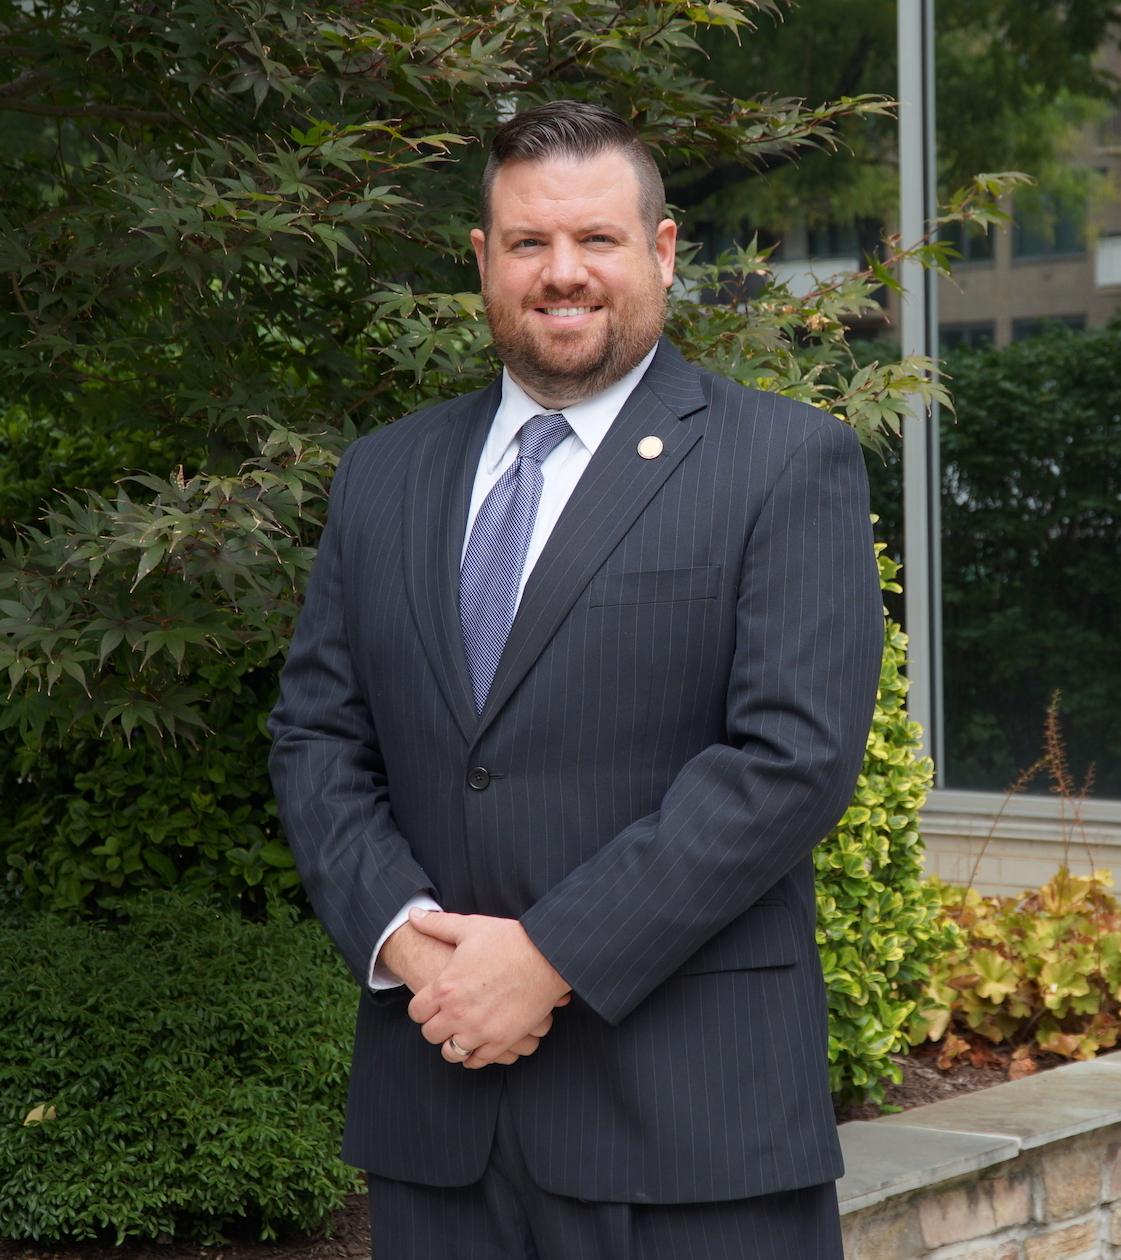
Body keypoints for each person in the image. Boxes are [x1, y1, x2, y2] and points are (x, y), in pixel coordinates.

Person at [268, 99, 882, 1260]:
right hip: (438, 1119)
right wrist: (408, 943)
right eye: (527, 243)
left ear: (660, 250)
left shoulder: (782, 462)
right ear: (482, 261)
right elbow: (316, 740)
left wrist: (547, 958)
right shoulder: (382, 476)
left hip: (689, 1136)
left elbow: (789, 762)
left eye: (596, 238)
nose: (562, 273)